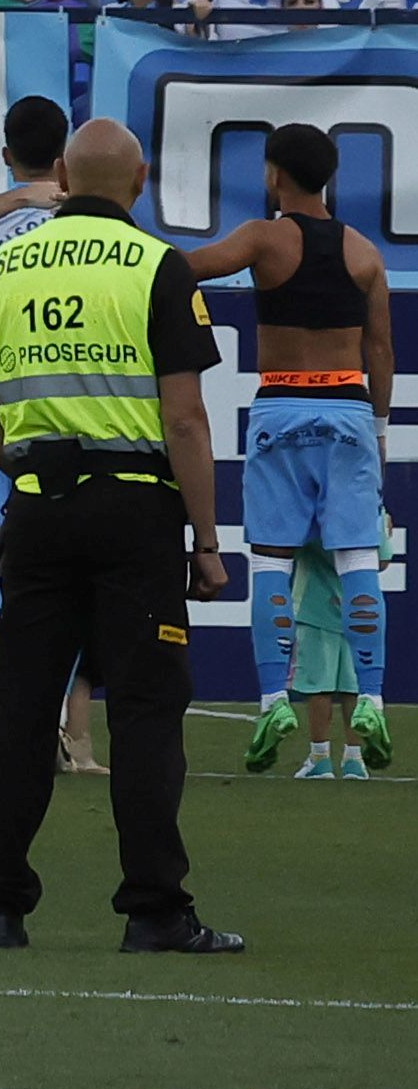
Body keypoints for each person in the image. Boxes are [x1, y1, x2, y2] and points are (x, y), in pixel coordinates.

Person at [0, 118, 241, 955]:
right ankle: (154, 911)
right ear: (140, 178)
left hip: (40, 508)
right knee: (148, 712)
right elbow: (185, 417)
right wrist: (208, 538)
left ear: (63, 175)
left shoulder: (6, 262)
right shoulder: (159, 264)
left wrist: (36, 471)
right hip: (136, 511)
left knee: (20, 711)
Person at [175, 122, 394, 781]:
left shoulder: (264, 238)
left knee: (270, 559)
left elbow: (190, 266)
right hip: (349, 408)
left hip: (280, 405)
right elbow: (380, 349)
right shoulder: (363, 252)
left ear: (274, 173)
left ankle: (273, 699)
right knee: (358, 556)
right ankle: (376, 699)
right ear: (328, 175)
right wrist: (378, 426)